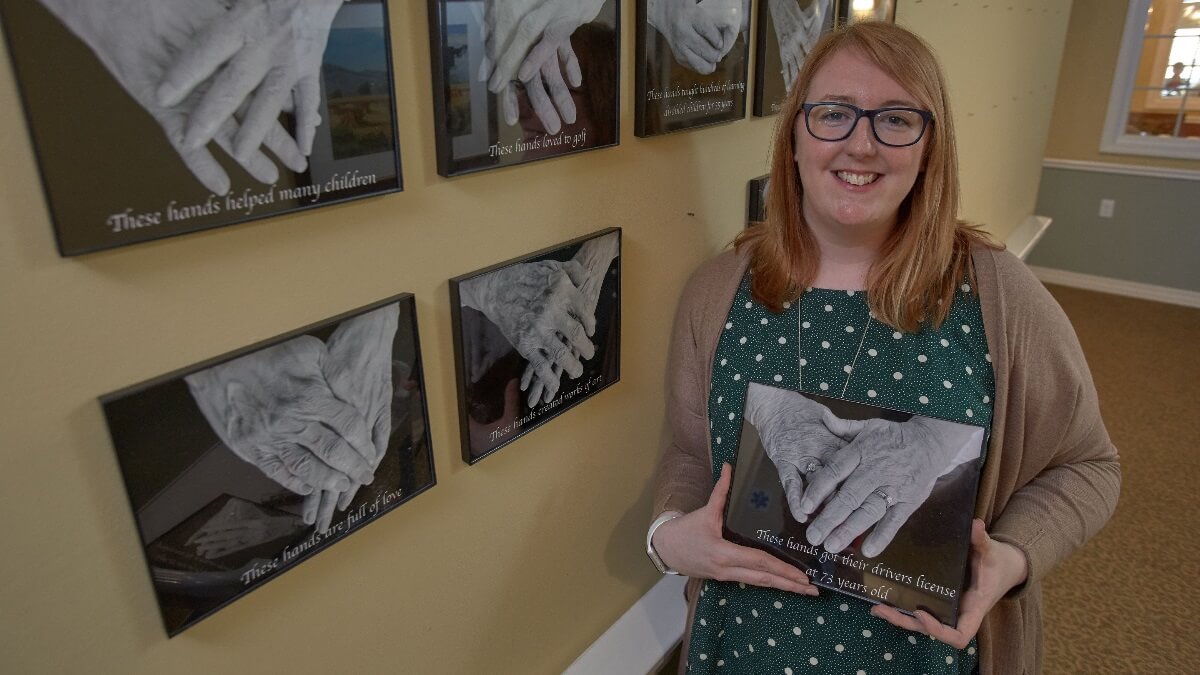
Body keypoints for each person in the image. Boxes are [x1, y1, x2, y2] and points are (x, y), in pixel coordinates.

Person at [648, 22, 1120, 674]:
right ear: (793, 137)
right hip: (741, 650)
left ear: (930, 147)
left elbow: (1088, 465)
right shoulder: (718, 291)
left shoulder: (996, 295)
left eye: (896, 119)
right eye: (834, 113)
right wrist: (667, 537)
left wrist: (1009, 558)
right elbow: (688, 454)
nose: (860, 144)